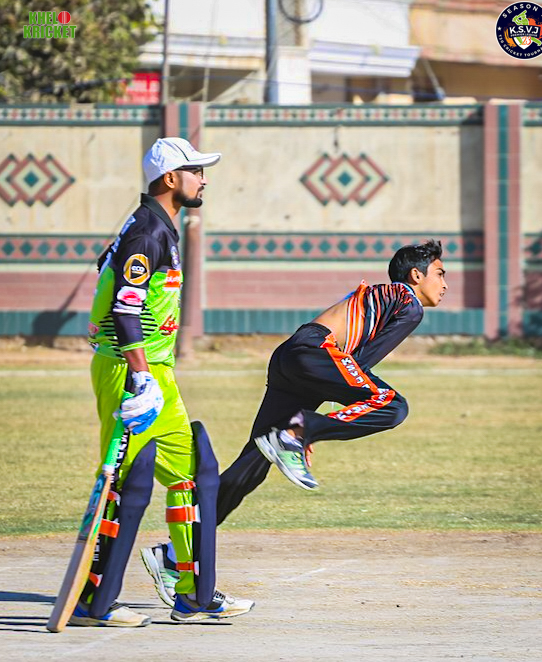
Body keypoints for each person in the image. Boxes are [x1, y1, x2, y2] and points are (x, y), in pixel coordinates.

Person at [140, 239, 447, 606]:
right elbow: (361, 364)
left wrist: (310, 428)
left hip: (294, 356)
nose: (445, 284)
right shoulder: (408, 302)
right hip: (316, 353)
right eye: (440, 274)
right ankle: (291, 436)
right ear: (416, 275)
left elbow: (349, 365)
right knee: (392, 405)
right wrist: (308, 429)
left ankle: (174, 555)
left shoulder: (384, 296)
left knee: (250, 468)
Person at [69, 137, 254, 627]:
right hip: (130, 372)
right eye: (196, 171)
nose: (204, 180)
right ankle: (93, 600)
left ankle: (193, 593)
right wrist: (141, 376)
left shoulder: (156, 227)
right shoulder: (147, 232)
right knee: (123, 484)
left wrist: (152, 375)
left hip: (155, 373)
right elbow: (124, 308)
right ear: (170, 178)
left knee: (190, 475)